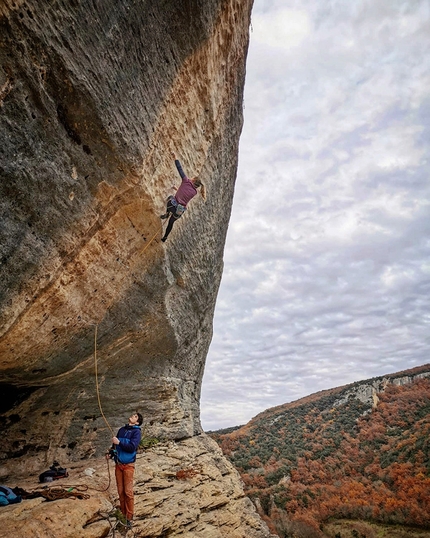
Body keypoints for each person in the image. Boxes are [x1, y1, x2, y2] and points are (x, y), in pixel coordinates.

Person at [160, 151, 206, 242]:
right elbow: (183, 195)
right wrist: (176, 188)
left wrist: (175, 157)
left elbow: (179, 169)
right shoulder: (194, 192)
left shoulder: (186, 181)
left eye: (192, 178)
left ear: (193, 180)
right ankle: (165, 237)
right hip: (179, 211)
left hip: (172, 206)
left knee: (170, 197)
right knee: (171, 223)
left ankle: (166, 213)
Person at [110, 412, 143, 528]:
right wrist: (111, 452)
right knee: (120, 491)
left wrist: (119, 442)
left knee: (128, 492)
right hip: (118, 464)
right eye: (133, 415)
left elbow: (132, 447)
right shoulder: (121, 430)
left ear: (137, 422)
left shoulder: (137, 432)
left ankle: (129, 518)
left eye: (135, 416)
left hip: (128, 465)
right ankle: (123, 514)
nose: (132, 416)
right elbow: (115, 446)